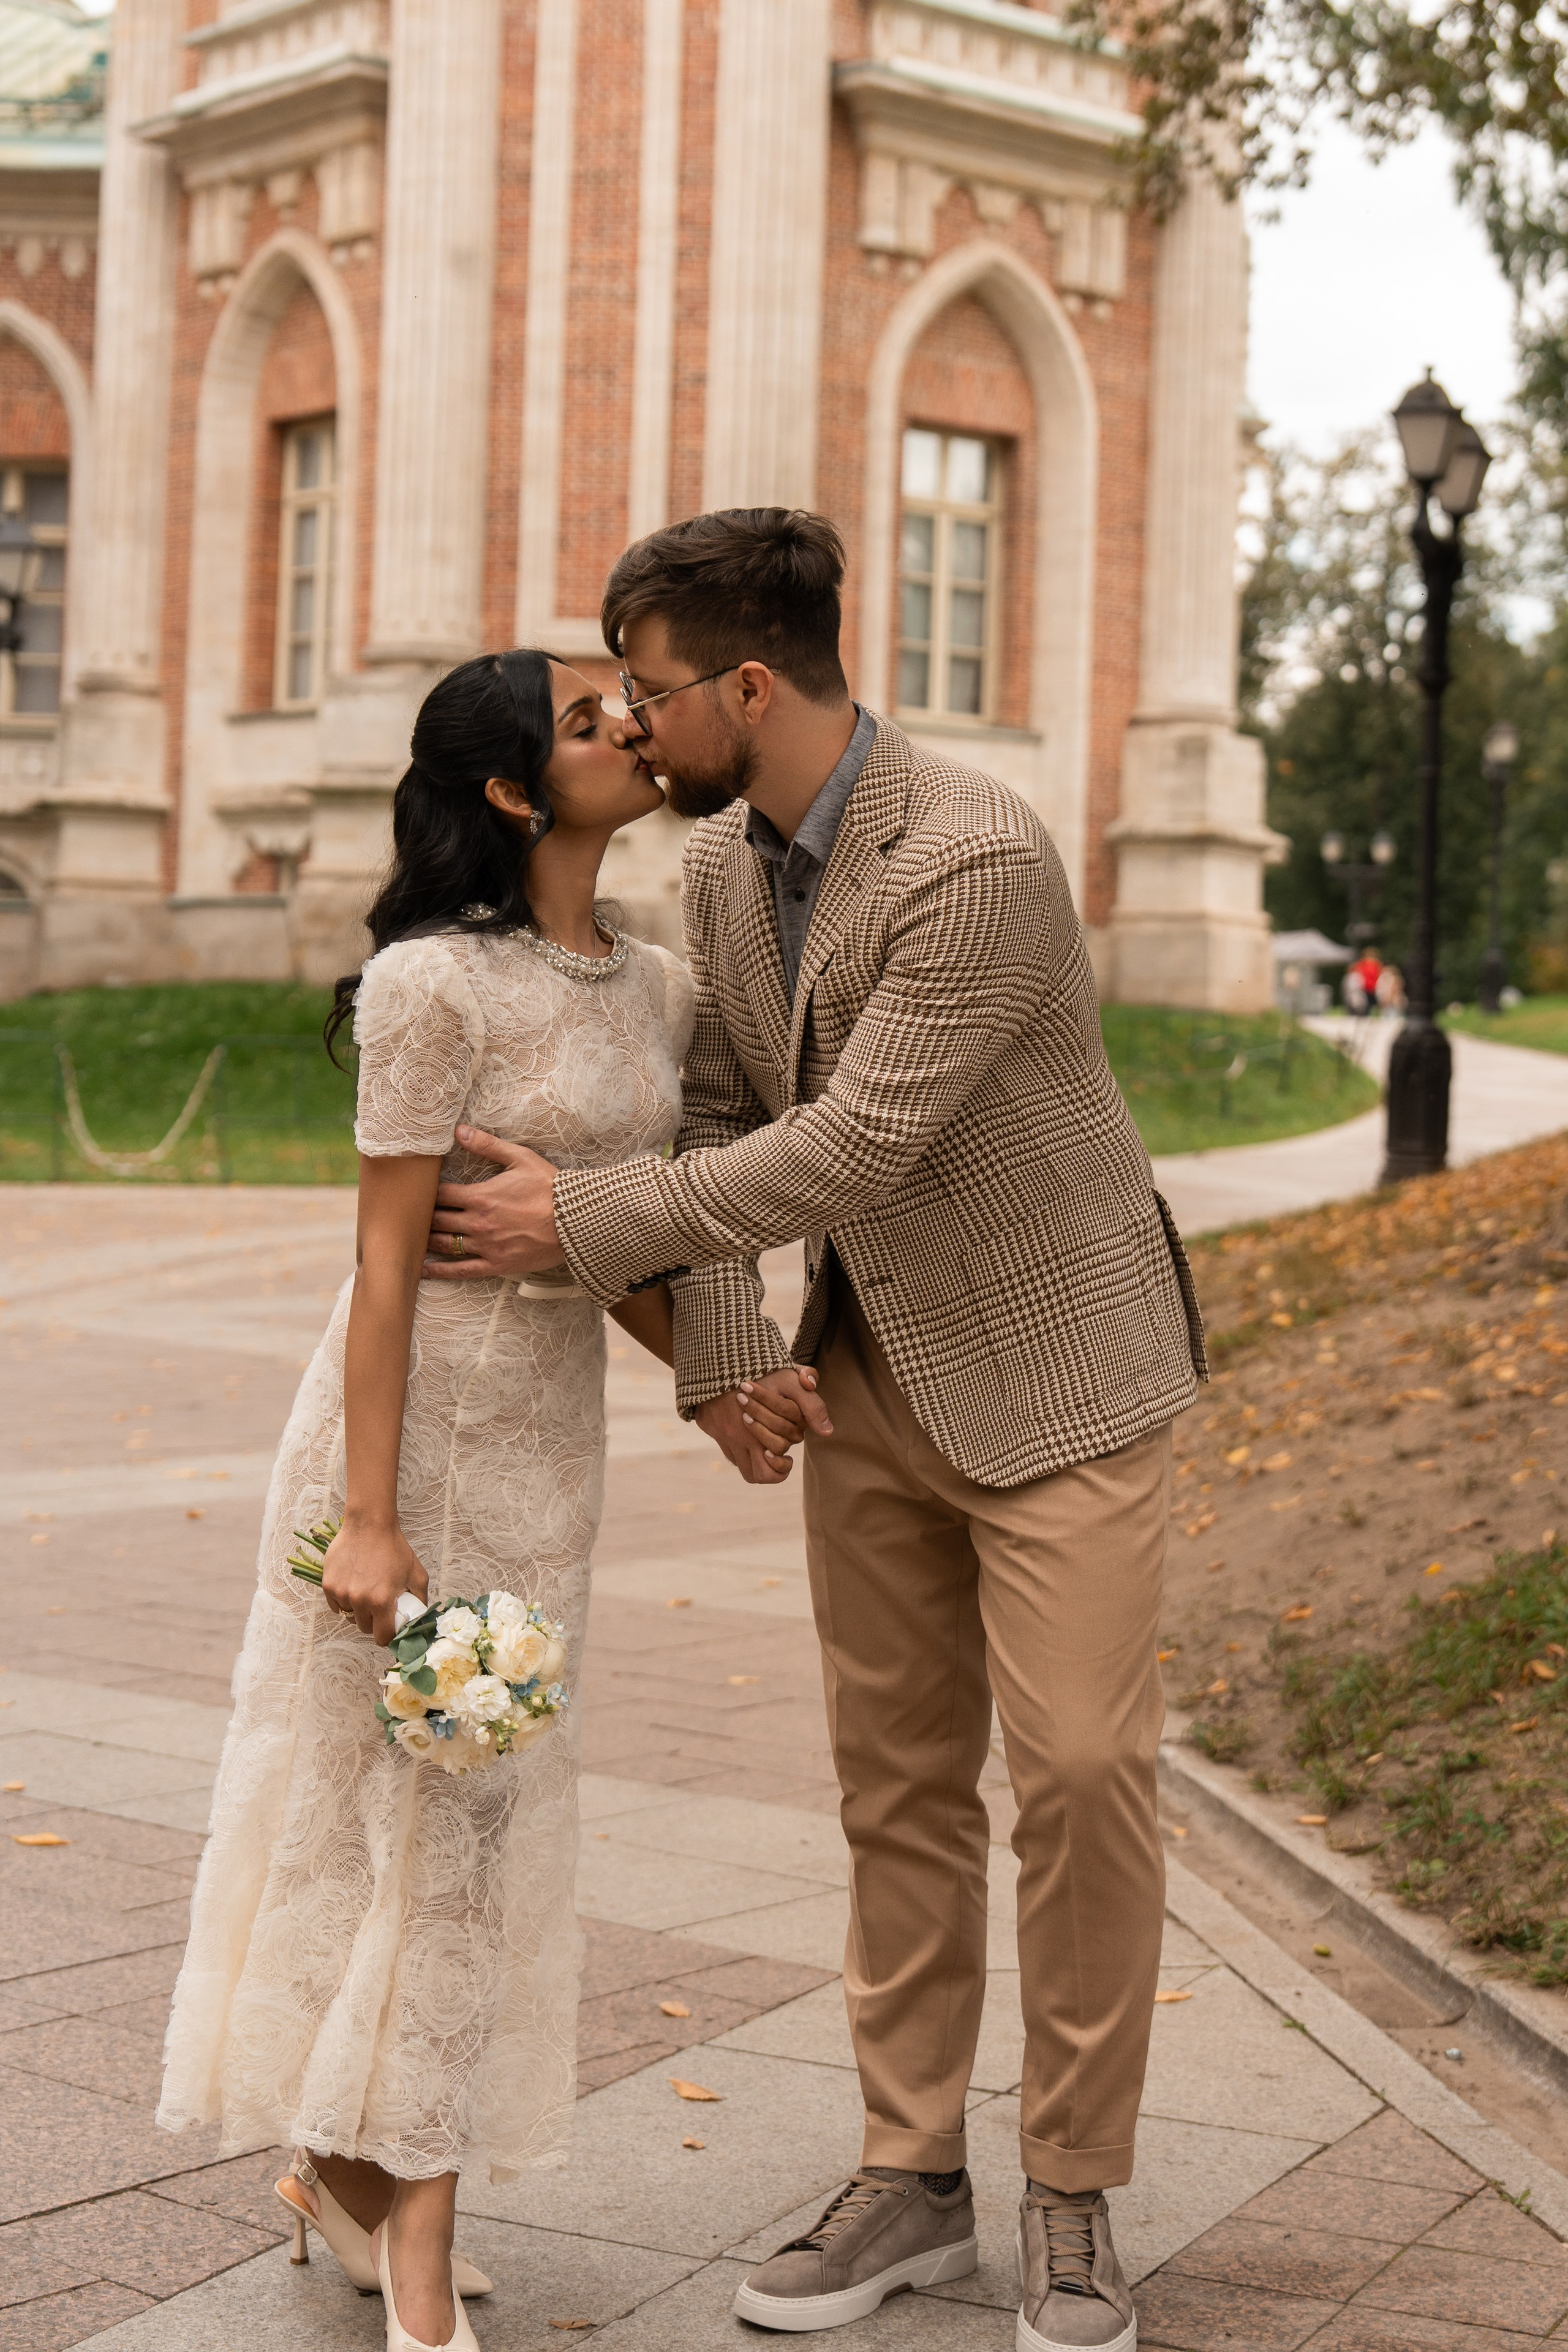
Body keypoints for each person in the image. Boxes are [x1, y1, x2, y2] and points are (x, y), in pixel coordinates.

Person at [423, 511, 1208, 2352]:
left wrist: (580, 1228)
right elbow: (708, 1113)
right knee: (899, 1791)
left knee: (1084, 1773)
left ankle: (1076, 2191)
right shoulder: (719, 873)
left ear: (747, 687)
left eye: (651, 688)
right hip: (871, 1384)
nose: (633, 723)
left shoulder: (977, 857)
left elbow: (856, 1145)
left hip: (1067, 1375)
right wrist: (720, 1361)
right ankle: (913, 2175)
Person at [155, 650, 809, 2352]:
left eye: (630, 709)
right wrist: (366, 1518)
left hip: (552, 1460)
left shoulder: (655, 990)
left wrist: (721, 1377)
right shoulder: (430, 990)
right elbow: (381, 1273)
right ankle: (421, 2263)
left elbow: (610, 1249)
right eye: (595, 721)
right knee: (429, 1817)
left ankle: (335, 2170)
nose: (633, 729)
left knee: (475, 1817)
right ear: (517, 790)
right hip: (411, 1440)